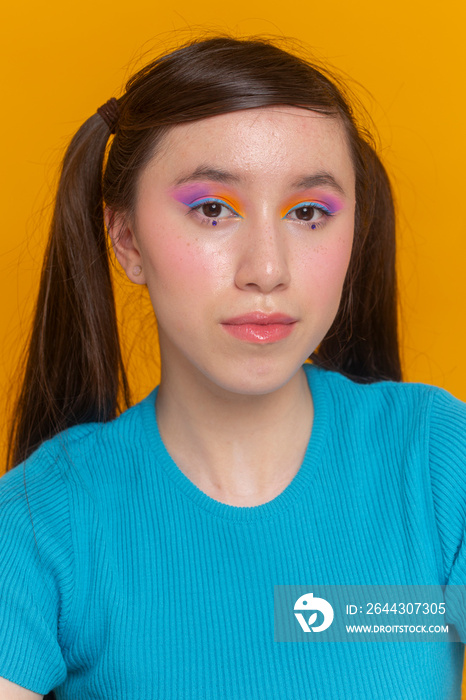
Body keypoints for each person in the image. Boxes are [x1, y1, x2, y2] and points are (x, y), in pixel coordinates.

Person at [1, 35, 465, 700]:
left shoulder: (436, 460)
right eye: (213, 209)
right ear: (127, 239)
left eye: (308, 213)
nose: (268, 270)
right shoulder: (40, 523)